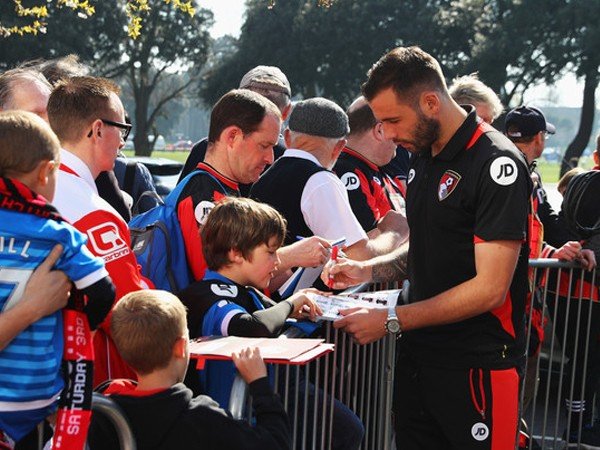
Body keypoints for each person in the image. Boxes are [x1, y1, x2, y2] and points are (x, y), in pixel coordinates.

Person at [325, 46, 532, 450]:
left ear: (431, 102)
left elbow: (490, 288)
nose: (386, 133)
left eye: (392, 120)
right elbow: (427, 245)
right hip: (420, 359)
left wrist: (391, 320)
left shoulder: (496, 163)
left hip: (478, 363)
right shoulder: (422, 157)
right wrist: (369, 269)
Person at [177, 197, 364, 450]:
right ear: (235, 253)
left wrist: (308, 303)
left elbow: (276, 316)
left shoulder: (246, 290)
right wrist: (294, 303)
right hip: (229, 424)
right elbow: (251, 326)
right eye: (270, 252)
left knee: (346, 429)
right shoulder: (207, 294)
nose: (277, 262)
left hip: (260, 412)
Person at [0, 111, 115, 446]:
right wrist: (76, 329)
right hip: (36, 392)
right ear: (46, 172)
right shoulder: (59, 234)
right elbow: (103, 291)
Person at [87, 289, 292, 450]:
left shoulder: (103, 414)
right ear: (180, 347)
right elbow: (274, 443)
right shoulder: (202, 418)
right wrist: (259, 385)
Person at [174, 89, 331, 290]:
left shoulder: (223, 189)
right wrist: (291, 255)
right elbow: (213, 281)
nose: (270, 158)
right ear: (232, 137)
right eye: (264, 146)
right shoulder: (204, 195)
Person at [47, 76, 148, 386]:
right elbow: (133, 316)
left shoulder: (32, 188)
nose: (123, 142)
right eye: (122, 129)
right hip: (90, 386)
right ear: (98, 129)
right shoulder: (93, 212)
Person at [251, 97, 407, 263]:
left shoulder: (261, 182)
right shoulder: (321, 180)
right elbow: (358, 256)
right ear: (339, 147)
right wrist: (394, 233)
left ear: (287, 137)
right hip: (308, 288)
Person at [178, 65, 292, 185]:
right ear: (287, 111)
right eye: (263, 145)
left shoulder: (205, 149)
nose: (269, 158)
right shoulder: (292, 161)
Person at [333, 96, 405, 231]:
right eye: (396, 126)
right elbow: (365, 243)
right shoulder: (345, 171)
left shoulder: (383, 172)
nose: (400, 136)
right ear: (380, 131)